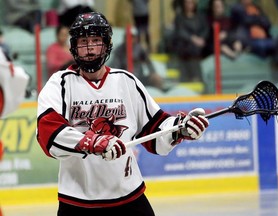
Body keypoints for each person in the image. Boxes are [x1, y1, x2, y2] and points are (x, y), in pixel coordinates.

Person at [36, 12, 209, 216]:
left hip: (129, 196)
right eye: (83, 41)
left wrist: (179, 129)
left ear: (107, 44)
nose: (90, 48)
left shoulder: (126, 81)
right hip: (77, 201)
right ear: (74, 46)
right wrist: (92, 142)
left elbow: (154, 129)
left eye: (95, 40)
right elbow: (48, 133)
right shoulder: (60, 83)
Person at [110, 27, 165, 91]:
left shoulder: (139, 49)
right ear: (124, 38)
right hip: (124, 78)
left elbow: (148, 62)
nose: (130, 39)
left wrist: (153, 73)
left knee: (156, 79)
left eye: (132, 37)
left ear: (136, 38)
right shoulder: (119, 50)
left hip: (139, 78)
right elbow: (115, 66)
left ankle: (156, 98)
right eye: (128, 37)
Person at [172, 0, 209, 82]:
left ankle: (197, 79)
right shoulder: (179, 18)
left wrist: (201, 39)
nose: (189, 5)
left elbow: (205, 29)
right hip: (185, 50)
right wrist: (192, 39)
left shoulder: (200, 17)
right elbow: (179, 32)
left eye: (191, 2)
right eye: (187, 3)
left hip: (199, 50)